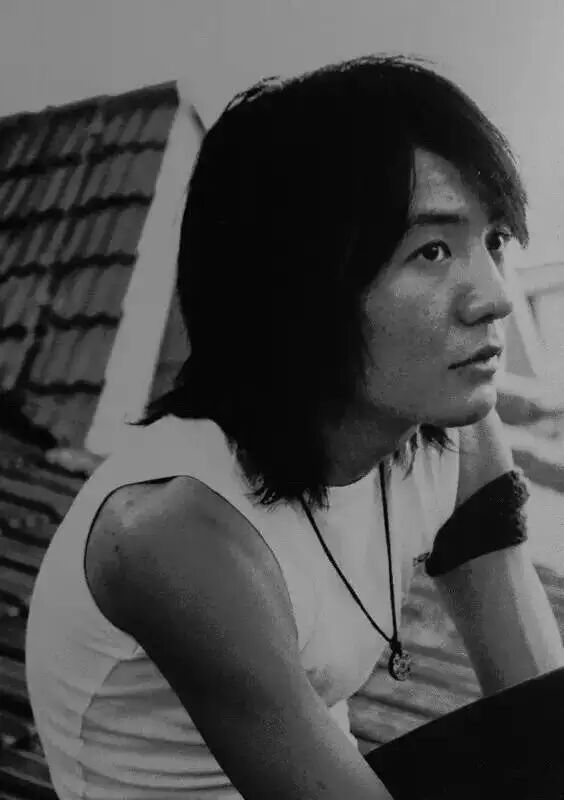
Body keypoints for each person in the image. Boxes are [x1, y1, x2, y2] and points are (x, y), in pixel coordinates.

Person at [25, 55, 564, 800]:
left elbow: (540, 719)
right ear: (299, 289)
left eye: (495, 239)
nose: (495, 298)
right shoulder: (178, 533)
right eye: (432, 251)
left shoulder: (453, 430)